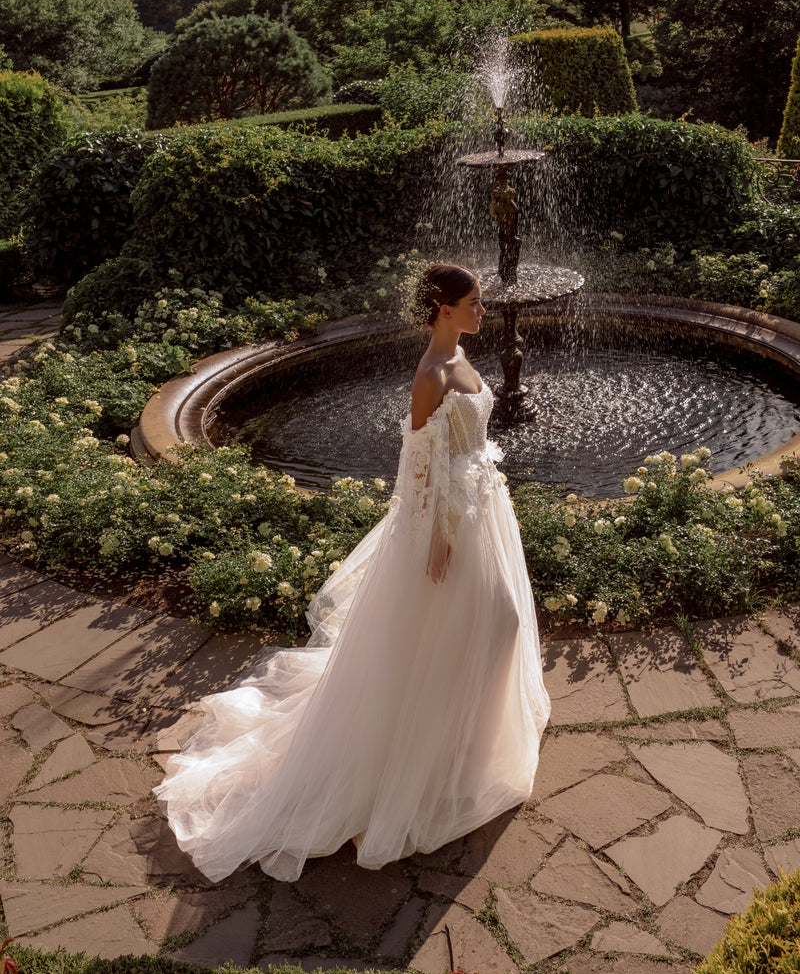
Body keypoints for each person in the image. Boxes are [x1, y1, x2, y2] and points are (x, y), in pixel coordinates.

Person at [154, 262, 551, 883]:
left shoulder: (462, 357)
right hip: (449, 527)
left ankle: (466, 746)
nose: (482, 308)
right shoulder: (430, 375)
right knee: (483, 624)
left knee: (491, 625)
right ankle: (429, 760)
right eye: (473, 301)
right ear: (443, 310)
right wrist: (437, 539)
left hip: (482, 509)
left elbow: (463, 449)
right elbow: (417, 465)